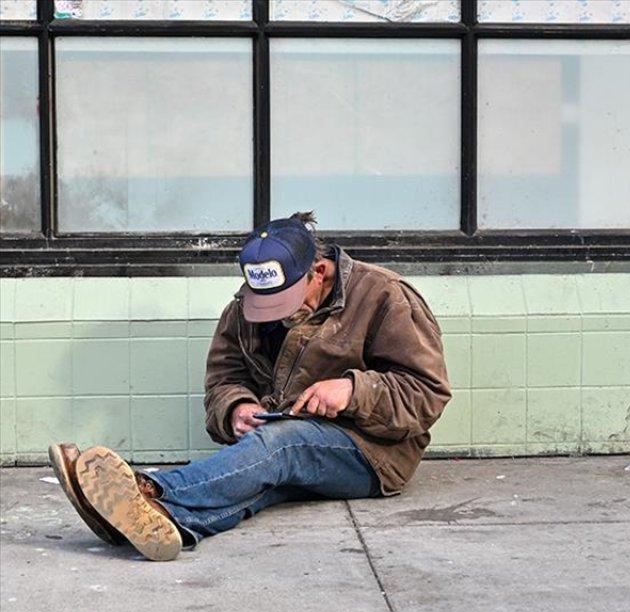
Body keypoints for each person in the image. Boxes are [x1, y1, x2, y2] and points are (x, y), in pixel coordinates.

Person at [49, 212, 451, 561]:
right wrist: (235, 409)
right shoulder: (244, 308)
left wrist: (352, 391)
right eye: (266, 301)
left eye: (287, 300)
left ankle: (148, 489)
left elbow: (427, 393)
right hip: (280, 444)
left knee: (282, 445)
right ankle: (160, 521)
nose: (276, 313)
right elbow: (223, 380)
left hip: (373, 453)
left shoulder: (385, 296)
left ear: (318, 272)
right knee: (260, 482)